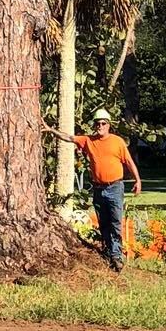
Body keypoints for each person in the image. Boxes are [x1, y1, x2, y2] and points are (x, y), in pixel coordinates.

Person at [49, 108, 141, 270]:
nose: (100, 126)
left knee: (115, 222)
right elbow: (69, 138)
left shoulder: (117, 142)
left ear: (109, 125)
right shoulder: (88, 140)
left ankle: (116, 256)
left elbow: (129, 162)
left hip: (115, 187)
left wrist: (137, 180)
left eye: (103, 123)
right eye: (97, 123)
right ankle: (108, 253)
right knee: (103, 222)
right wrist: (50, 130)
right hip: (98, 189)